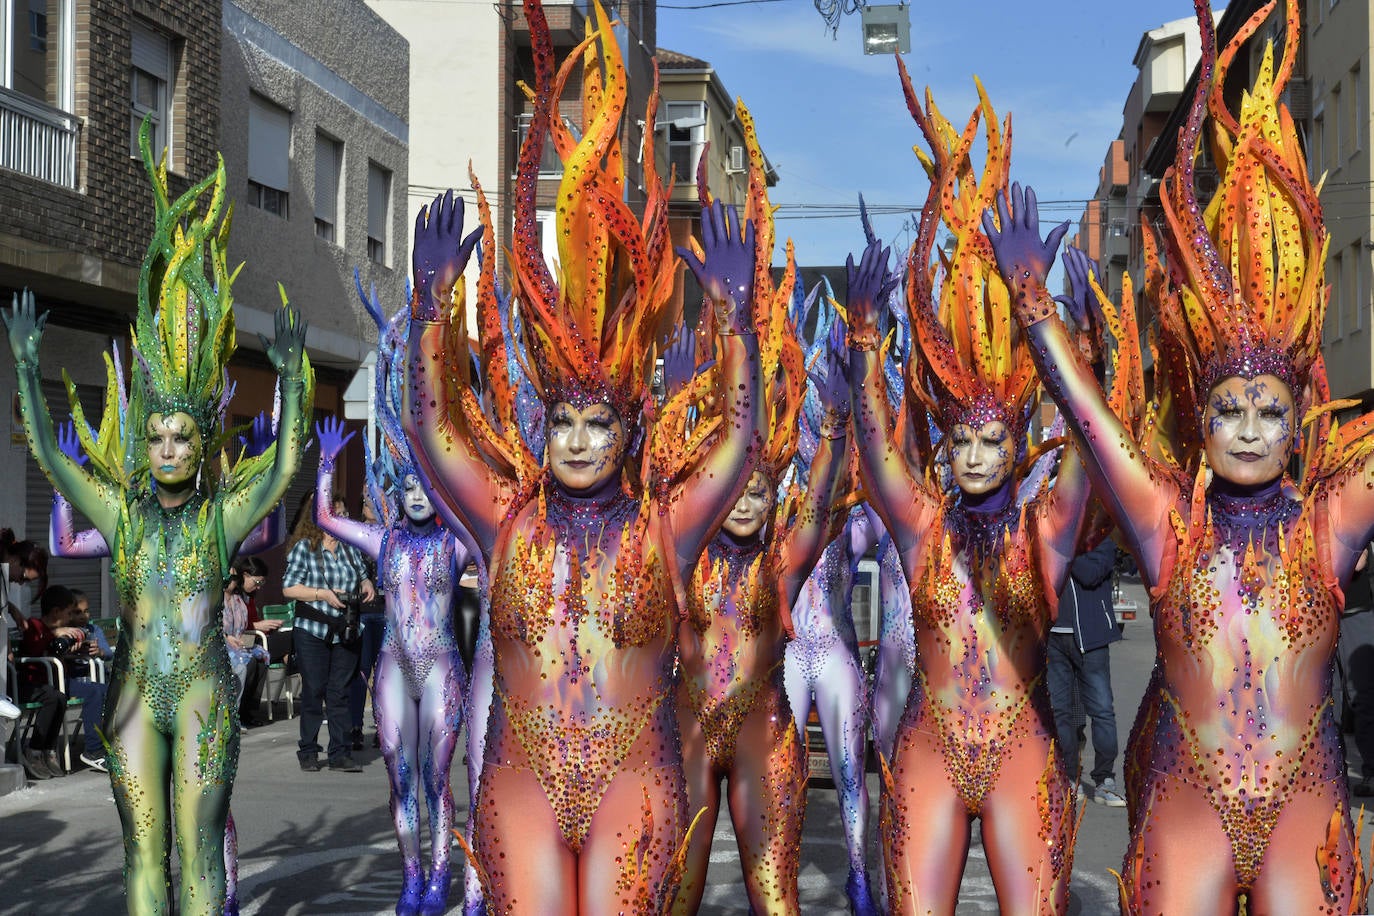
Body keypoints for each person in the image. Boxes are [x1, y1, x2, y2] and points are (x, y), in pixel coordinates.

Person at [985, 5, 1372, 909]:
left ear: (1298, 419)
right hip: (1182, 814)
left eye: (1268, 412)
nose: (1245, 429)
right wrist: (1035, 309)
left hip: (1305, 819)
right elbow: (1091, 426)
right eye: (1227, 410)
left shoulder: (1327, 526)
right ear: (1199, 422)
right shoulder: (1172, 528)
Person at [403, 4, 763, 910]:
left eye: (600, 425)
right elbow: (433, 433)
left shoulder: (666, 528)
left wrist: (737, 327)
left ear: (629, 431)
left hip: (633, 791)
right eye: (563, 420)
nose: (577, 441)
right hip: (519, 790)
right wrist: (430, 310)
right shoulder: (506, 517)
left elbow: (740, 443)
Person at [3, 125, 312, 914]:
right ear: (142, 443)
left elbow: (282, 469)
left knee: (199, 855)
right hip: (135, 699)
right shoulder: (124, 513)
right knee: (142, 857)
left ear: (201, 440)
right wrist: (30, 373)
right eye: (157, 435)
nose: (169, 446)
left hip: (204, 697)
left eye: (183, 435)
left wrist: (292, 388)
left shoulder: (219, 517)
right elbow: (48, 454)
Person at [842, 79, 1095, 914]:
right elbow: (879, 462)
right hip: (928, 748)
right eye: (963, 441)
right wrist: (866, 346)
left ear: (1020, 444)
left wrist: (1050, 329)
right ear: (946, 448)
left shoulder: (1046, 530)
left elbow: (1092, 447)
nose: (978, 455)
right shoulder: (924, 526)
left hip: (1025, 748)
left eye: (995, 440)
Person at [669, 116, 852, 916]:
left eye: (759, 489)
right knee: (667, 894)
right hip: (678, 740)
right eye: (732, 486)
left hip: (766, 742)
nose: (745, 499)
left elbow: (818, 498)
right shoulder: (677, 553)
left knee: (774, 901)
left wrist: (841, 428)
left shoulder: (784, 560)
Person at [312, 278, 481, 915]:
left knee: (437, 777)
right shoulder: (382, 540)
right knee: (397, 771)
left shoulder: (454, 540)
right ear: (395, 489)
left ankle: (441, 876)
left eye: (424, 488)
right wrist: (327, 464)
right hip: (391, 663)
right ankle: (412, 874)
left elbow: (492, 525)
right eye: (405, 486)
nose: (414, 497)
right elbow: (326, 518)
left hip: (439, 665)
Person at [281, 492, 375, 772]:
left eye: (344, 514)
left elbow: (361, 574)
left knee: (340, 691)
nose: (343, 519)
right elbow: (289, 588)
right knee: (314, 689)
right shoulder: (304, 549)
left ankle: (340, 752)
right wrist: (322, 594)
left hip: (346, 628)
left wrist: (367, 583)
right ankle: (308, 750)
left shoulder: (350, 548)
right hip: (312, 629)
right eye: (337, 514)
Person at [1046, 535, 1124, 806]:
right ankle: (1069, 777)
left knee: (1102, 711)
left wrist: (1063, 548)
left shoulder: (1102, 541)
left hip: (1091, 638)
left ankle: (1104, 780)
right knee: (1060, 711)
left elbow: (1090, 574)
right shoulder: (1049, 536)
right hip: (1053, 638)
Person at [17, 584, 110, 772]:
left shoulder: (61, 631)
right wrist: (54, 634)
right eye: (69, 613)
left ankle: (106, 745)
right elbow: (37, 650)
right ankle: (93, 751)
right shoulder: (35, 626)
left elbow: (55, 654)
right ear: (56, 612)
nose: (71, 619)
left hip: (58, 680)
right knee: (90, 692)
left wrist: (74, 650)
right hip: (39, 684)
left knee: (103, 689)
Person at [1338, 545, 1374, 795]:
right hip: (1316, 615)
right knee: (1326, 701)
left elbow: (1359, 561)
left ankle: (1372, 771)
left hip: (1354, 611)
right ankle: (1331, 772)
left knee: (1363, 696)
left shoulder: (1353, 508)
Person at [223, 565, 269, 728]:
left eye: (235, 579)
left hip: (238, 643)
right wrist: (227, 638)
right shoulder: (214, 600)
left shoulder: (238, 600)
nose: (232, 582)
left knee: (261, 660)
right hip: (220, 646)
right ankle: (235, 715)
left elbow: (243, 626)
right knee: (245, 665)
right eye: (228, 579)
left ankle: (247, 711)